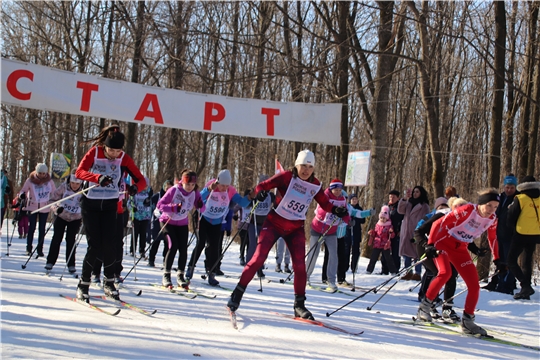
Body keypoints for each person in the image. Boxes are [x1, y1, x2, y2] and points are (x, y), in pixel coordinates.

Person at [227, 150, 348, 319]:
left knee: (300, 267)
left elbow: (325, 203)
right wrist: (260, 192)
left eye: (310, 167)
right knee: (258, 259)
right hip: (274, 223)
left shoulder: (315, 185)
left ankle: (299, 305)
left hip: (295, 229)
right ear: (296, 165)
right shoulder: (285, 177)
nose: (306, 170)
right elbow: (263, 185)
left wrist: (336, 209)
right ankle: (236, 295)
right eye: (303, 166)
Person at [75, 125, 146, 302]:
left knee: (110, 244)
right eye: (111, 150)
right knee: (95, 244)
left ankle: (109, 282)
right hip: (90, 203)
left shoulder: (124, 158)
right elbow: (79, 172)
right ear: (105, 146)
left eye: (118, 150)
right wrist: (97, 178)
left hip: (110, 204)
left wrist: (136, 188)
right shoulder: (95, 152)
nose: (114, 154)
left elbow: (141, 180)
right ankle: (83, 284)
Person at [417, 188, 500, 336]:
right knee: (445, 273)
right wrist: (430, 244)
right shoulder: (467, 210)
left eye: (495, 207)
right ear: (481, 203)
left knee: (474, 285)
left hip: (460, 248)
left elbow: (492, 239)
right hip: (443, 243)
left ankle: (468, 321)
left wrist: (498, 259)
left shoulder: (492, 219)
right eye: (489, 205)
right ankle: (424, 308)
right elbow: (438, 224)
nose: (491, 210)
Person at [186, 169, 252, 286]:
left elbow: (242, 203)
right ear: (218, 181)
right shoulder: (212, 185)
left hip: (217, 221)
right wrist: (208, 189)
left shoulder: (231, 191)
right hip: (205, 219)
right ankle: (191, 267)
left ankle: (211, 273)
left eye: (227, 185)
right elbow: (198, 198)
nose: (224, 188)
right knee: (200, 243)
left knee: (214, 248)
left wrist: (250, 197)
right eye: (222, 185)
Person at [414, 197, 460, 322]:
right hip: (425, 247)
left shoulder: (460, 219)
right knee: (438, 273)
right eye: (441, 207)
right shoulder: (439, 215)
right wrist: (426, 245)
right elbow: (418, 232)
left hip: (442, 248)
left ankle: (447, 309)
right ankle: (429, 304)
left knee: (451, 274)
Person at [157, 169, 204, 289]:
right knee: (173, 246)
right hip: (167, 221)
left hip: (182, 223)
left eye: (192, 185)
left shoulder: (195, 192)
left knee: (183, 249)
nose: (190, 187)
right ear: (182, 182)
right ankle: (166, 275)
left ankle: (180, 275)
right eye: (188, 184)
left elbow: (202, 208)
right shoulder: (174, 190)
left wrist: (200, 205)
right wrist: (173, 207)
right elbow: (160, 205)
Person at [305, 178, 351, 292]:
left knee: (333, 255)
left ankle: (331, 280)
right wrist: (334, 210)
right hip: (318, 229)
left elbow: (346, 213)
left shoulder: (342, 199)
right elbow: (320, 212)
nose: (338, 192)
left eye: (340, 190)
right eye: (336, 190)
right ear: (331, 189)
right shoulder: (325, 196)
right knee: (313, 254)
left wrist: (347, 220)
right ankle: (305, 277)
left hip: (331, 231)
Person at [483, 174, 518, 294]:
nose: (509, 190)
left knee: (509, 260)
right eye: (507, 187)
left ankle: (507, 285)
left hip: (511, 234)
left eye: (512, 187)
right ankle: (496, 281)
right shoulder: (500, 197)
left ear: (515, 187)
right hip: (498, 233)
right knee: (499, 259)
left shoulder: (517, 198)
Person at [506, 176, 540, 300]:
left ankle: (525, 285)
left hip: (521, 233)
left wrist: (512, 229)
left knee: (511, 260)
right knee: (527, 260)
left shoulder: (520, 198)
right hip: (536, 233)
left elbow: (511, 217)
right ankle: (526, 288)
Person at [45, 170, 83, 274]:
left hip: (75, 218)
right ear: (69, 181)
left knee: (71, 240)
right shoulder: (63, 187)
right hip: (61, 216)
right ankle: (50, 261)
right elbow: (52, 200)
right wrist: (56, 208)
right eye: (73, 183)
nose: (75, 186)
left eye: (77, 183)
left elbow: (88, 204)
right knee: (57, 238)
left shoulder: (84, 190)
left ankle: (71, 264)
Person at [19, 163, 57, 256]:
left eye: (44, 173)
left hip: (45, 207)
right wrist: (22, 195)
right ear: (36, 172)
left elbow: (55, 192)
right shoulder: (30, 180)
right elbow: (23, 190)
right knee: (31, 227)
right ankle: (29, 248)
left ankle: (40, 249)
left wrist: (55, 202)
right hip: (32, 207)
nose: (42, 175)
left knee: (42, 229)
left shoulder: (49, 181)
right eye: (40, 173)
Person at [245, 174, 276, 279]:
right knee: (253, 246)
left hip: (264, 225)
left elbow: (278, 202)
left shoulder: (270, 195)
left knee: (262, 247)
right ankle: (248, 267)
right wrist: (252, 197)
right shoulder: (255, 192)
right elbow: (246, 203)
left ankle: (259, 268)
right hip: (253, 223)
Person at [398, 186, 430, 280]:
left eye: (417, 192)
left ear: (421, 193)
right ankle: (408, 271)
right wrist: (404, 198)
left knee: (417, 253)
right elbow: (400, 210)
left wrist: (422, 230)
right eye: (414, 192)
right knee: (406, 253)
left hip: (416, 231)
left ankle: (417, 273)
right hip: (406, 231)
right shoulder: (408, 203)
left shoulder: (424, 206)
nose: (415, 193)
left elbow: (426, 219)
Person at [147, 180, 173, 267]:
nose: (167, 189)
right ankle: (151, 259)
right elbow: (151, 206)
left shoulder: (174, 196)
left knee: (167, 242)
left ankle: (165, 261)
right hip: (157, 221)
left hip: (168, 221)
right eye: (166, 187)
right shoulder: (157, 196)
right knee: (156, 241)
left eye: (169, 187)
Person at [366, 206, 397, 275]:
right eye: (381, 218)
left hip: (385, 244)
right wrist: (372, 232)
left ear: (387, 218)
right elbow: (375, 233)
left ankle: (393, 271)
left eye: (384, 218)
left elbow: (392, 235)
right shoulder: (378, 224)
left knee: (388, 258)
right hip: (377, 243)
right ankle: (369, 270)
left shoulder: (389, 225)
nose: (382, 219)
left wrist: (391, 232)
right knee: (373, 258)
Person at [127, 177, 152, 258]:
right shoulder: (135, 192)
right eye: (143, 185)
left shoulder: (149, 193)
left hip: (145, 216)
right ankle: (132, 250)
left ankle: (142, 251)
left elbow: (152, 204)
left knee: (143, 234)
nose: (145, 187)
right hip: (136, 216)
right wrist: (132, 207)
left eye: (146, 185)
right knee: (135, 233)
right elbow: (129, 203)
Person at [381, 190, 404, 275]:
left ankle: (395, 269)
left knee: (395, 251)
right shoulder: (386, 206)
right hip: (385, 232)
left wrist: (400, 230)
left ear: (398, 198)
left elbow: (404, 219)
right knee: (385, 251)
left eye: (394, 197)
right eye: (390, 196)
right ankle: (384, 269)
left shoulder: (400, 207)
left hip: (396, 231)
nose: (392, 198)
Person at [346, 193, 366, 276]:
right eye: (352, 199)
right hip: (348, 232)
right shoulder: (347, 208)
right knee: (346, 250)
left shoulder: (359, 209)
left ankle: (354, 266)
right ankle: (345, 266)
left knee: (355, 250)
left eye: (355, 199)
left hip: (356, 231)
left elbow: (363, 220)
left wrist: (356, 220)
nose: (354, 200)